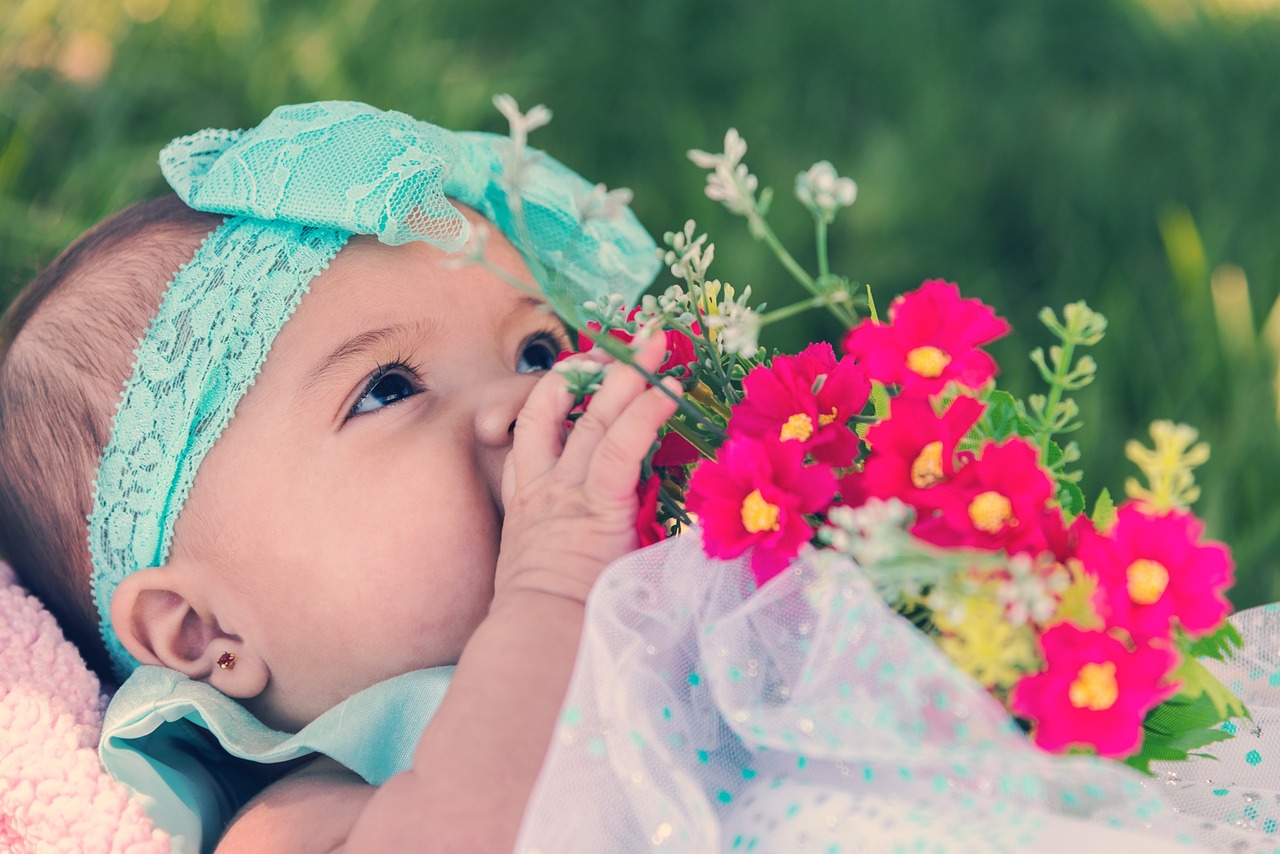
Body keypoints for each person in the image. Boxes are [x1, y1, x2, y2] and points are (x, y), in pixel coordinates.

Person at [0, 99, 682, 852]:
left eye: (539, 353)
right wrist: (549, 590)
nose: (523, 402)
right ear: (206, 632)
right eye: (388, 390)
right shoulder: (308, 815)